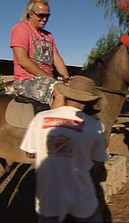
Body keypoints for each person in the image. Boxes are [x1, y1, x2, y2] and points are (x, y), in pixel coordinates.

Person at [20, 75, 107, 223]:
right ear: (88, 101)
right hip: (82, 200)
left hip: (49, 200)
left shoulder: (40, 118)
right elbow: (98, 160)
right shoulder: (95, 126)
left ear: (67, 95)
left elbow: (30, 152)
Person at [10, 0, 70, 109]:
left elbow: (56, 58)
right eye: (41, 15)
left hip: (47, 80)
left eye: (47, 15)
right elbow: (22, 60)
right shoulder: (20, 28)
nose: (45, 19)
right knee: (61, 92)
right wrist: (50, 78)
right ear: (31, 13)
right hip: (26, 81)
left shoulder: (49, 35)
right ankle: (53, 126)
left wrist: (67, 79)